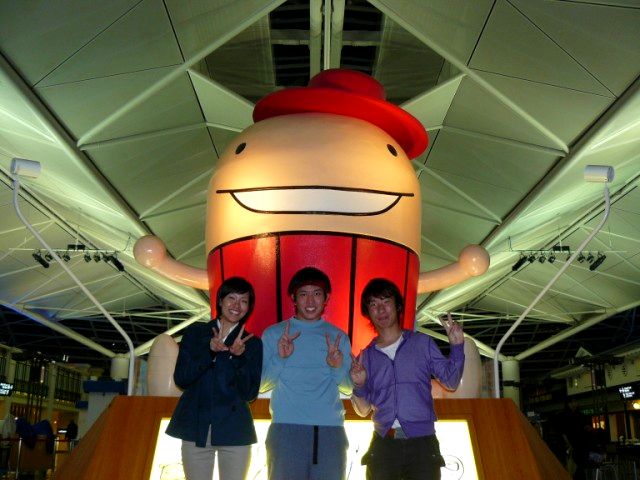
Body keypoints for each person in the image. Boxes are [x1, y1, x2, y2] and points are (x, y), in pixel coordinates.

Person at [350, 278, 465, 480]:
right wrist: (359, 385)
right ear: (368, 312)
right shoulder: (365, 357)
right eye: (373, 304)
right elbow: (363, 410)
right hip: (384, 444)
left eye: (386, 301)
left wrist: (456, 348)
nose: (380, 309)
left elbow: (451, 382)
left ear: (398, 306)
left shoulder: (422, 343)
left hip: (422, 444)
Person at [261, 267, 353, 480]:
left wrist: (337, 366)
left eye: (317, 293)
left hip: (330, 431)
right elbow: (261, 384)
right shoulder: (274, 334)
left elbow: (348, 388)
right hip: (284, 430)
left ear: (326, 298)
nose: (310, 301)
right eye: (303, 294)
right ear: (293, 298)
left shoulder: (338, 337)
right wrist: (280, 358)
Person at [167, 277, 262, 480]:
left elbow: (250, 394)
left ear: (249, 307)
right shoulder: (195, 334)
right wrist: (209, 352)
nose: (236, 305)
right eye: (231, 298)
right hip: (196, 427)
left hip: (235, 430)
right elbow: (181, 379)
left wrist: (239, 358)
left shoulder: (252, 343)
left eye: (244, 301)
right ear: (220, 300)